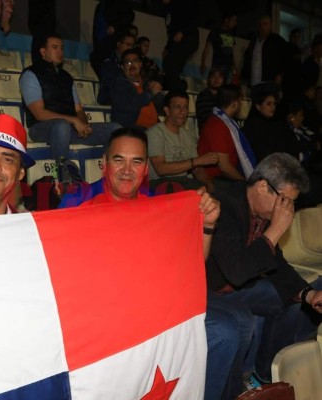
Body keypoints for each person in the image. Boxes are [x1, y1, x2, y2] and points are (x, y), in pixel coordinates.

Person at [61, 127, 253, 400]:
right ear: (104, 163)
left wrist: (207, 226)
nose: (127, 170)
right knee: (224, 331)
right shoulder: (75, 203)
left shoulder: (159, 205)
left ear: (146, 167)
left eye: (136, 161)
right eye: (119, 159)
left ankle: (232, 392)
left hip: (156, 300)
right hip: (107, 309)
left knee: (242, 320)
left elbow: (195, 260)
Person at [206, 152, 322, 386]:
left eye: (291, 202)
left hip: (234, 288)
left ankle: (264, 376)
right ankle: (234, 388)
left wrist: (308, 294)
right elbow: (236, 272)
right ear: (261, 186)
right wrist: (276, 229)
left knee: (289, 299)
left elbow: (275, 262)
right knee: (242, 322)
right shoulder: (224, 206)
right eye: (284, 200)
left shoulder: (263, 210)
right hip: (207, 292)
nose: (287, 209)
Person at [19, 33, 121, 161]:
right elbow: (39, 113)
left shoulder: (66, 77)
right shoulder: (30, 74)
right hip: (40, 128)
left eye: (61, 48)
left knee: (114, 129)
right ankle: (63, 175)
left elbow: (78, 110)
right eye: (55, 47)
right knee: (62, 126)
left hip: (69, 128)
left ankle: (110, 173)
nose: (60, 51)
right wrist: (73, 120)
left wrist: (83, 124)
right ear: (43, 51)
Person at [146, 91, 216, 192]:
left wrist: (208, 183)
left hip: (184, 181)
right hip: (160, 182)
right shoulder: (155, 133)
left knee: (219, 193)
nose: (182, 111)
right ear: (167, 110)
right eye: (177, 107)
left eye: (185, 107)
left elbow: (197, 169)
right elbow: (161, 169)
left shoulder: (188, 135)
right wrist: (197, 161)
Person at [198, 84, 257, 183]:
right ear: (235, 104)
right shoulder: (217, 125)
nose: (241, 105)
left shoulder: (226, 122)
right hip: (217, 180)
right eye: (240, 101)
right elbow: (224, 167)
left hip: (225, 178)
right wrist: (245, 182)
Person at [243, 86, 299, 162]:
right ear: (258, 106)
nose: (273, 107)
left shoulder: (277, 123)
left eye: (274, 104)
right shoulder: (252, 126)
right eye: (269, 104)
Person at [110, 49, 162, 129]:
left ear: (140, 64)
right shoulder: (118, 84)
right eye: (128, 62)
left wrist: (157, 92)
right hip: (133, 129)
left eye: (135, 61)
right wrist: (151, 93)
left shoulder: (146, 83)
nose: (132, 65)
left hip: (155, 128)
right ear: (122, 67)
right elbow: (129, 104)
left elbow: (161, 105)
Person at [161, 0, 199, 91]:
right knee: (169, 64)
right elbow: (171, 33)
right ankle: (177, 88)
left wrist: (183, 32)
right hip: (177, 40)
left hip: (188, 38)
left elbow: (194, 19)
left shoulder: (181, 4)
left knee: (171, 64)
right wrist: (167, 47)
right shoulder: (168, 9)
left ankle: (175, 91)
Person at [240, 16, 287, 88]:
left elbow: (284, 58)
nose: (262, 27)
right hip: (253, 82)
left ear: (270, 25)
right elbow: (247, 59)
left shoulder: (277, 40)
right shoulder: (253, 42)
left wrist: (279, 74)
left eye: (265, 24)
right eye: (260, 25)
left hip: (269, 82)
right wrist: (244, 77)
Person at [96, 30, 135, 105]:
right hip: (110, 100)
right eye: (128, 44)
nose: (131, 48)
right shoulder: (108, 62)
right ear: (118, 44)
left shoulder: (131, 62)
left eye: (132, 45)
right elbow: (112, 85)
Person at [200, 12, 237, 81]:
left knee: (223, 87)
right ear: (226, 20)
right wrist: (203, 63)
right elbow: (206, 49)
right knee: (215, 84)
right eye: (233, 20)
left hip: (228, 67)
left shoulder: (231, 34)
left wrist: (234, 67)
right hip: (217, 65)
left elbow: (232, 52)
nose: (235, 23)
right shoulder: (215, 32)